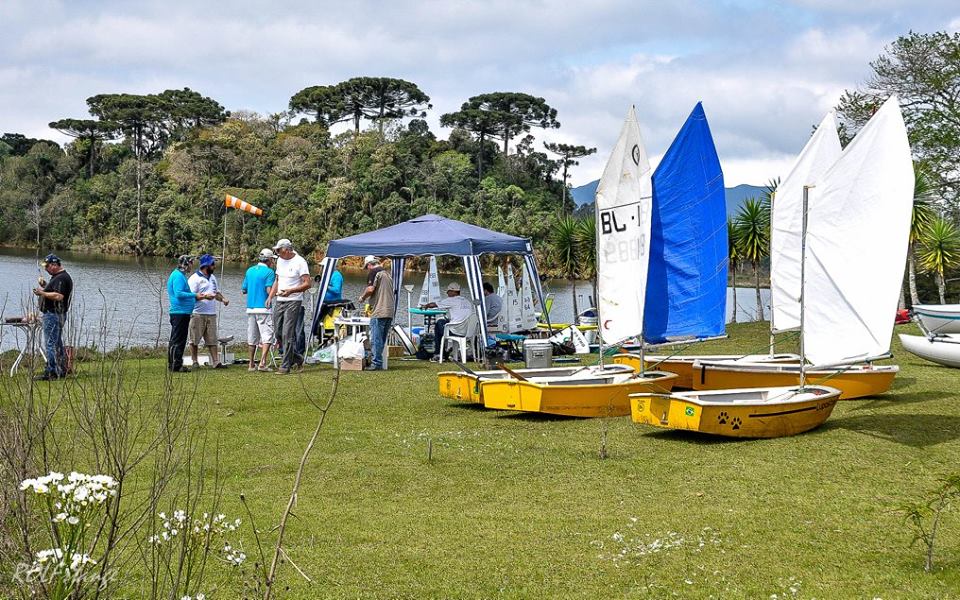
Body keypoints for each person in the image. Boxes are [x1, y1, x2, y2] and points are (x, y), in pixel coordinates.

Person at [166, 255, 213, 373]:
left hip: (182, 312)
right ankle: (176, 365)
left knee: (177, 339)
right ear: (186, 264)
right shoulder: (178, 276)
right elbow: (178, 293)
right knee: (178, 340)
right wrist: (194, 295)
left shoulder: (180, 275)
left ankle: (174, 363)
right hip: (179, 312)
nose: (192, 266)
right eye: (191, 263)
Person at [271, 238, 311, 374]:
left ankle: (285, 365)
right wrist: (270, 296)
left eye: (279, 250)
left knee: (287, 333)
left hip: (294, 300)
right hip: (280, 300)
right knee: (278, 332)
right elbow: (277, 279)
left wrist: (291, 291)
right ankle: (297, 358)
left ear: (287, 250)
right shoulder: (280, 260)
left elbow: (307, 284)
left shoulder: (300, 262)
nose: (277, 253)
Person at [32, 254, 73, 380]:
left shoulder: (61, 278)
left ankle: (52, 372)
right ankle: (61, 369)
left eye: (47, 266)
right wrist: (45, 285)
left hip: (53, 315)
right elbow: (54, 291)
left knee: (50, 344)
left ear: (54, 265)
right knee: (57, 343)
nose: (45, 269)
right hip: (57, 314)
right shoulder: (58, 277)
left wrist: (41, 292)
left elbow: (59, 296)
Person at [188, 254, 230, 368]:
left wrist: (223, 299)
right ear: (206, 265)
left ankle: (216, 362)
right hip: (197, 314)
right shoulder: (194, 279)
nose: (214, 266)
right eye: (212, 264)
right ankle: (195, 362)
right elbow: (190, 296)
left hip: (211, 314)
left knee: (212, 340)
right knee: (194, 339)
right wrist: (205, 296)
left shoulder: (212, 278)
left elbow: (216, 293)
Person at [241, 248, 277, 372]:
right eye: (272, 259)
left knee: (252, 336)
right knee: (267, 335)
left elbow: (244, 289)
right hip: (264, 308)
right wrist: (277, 293)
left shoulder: (249, 270)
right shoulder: (270, 272)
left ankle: (251, 364)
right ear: (269, 260)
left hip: (250, 308)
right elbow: (268, 290)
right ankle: (262, 363)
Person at [358, 255, 395, 371]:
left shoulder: (374, 272)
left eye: (366, 267)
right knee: (381, 340)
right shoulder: (387, 273)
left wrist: (362, 298)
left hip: (379, 310)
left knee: (375, 339)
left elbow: (370, 289)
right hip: (389, 311)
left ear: (370, 265)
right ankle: (378, 361)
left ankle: (376, 363)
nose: (367, 270)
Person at [423, 282, 475, 361]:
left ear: (453, 292)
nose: (447, 293)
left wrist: (425, 305)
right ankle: (445, 352)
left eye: (448, 291)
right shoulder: (467, 301)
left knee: (439, 324)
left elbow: (433, 305)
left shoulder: (451, 300)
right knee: (444, 322)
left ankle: (439, 353)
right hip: (467, 331)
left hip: (456, 331)